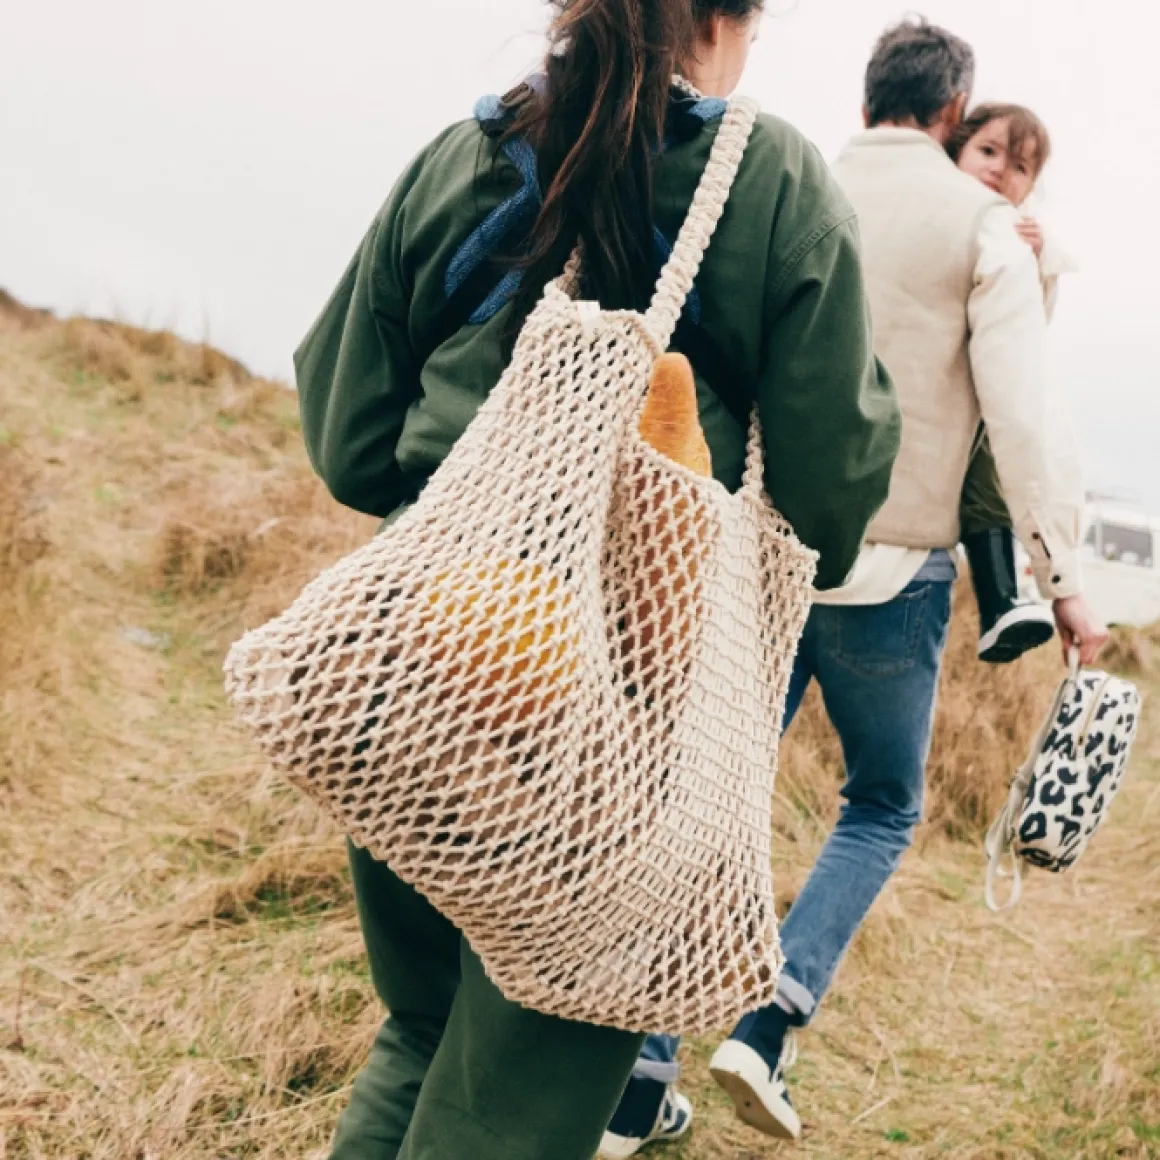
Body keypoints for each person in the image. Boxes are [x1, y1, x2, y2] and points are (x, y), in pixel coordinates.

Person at [293, 1, 901, 1156]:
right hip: (615, 700)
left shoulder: (470, 150)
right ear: (733, 19)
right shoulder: (767, 176)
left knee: (420, 1029)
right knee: (515, 1095)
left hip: (416, 651)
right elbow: (831, 490)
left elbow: (350, 435)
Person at [607, 18, 1108, 1154]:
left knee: (716, 794)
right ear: (954, 109)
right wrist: (1061, 576)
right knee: (880, 805)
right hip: (892, 570)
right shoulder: (980, 224)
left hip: (760, 548)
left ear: (870, 90)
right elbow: (1021, 414)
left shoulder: (788, 179)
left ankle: (639, 1069)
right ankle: (766, 1024)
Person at [950, 103, 1083, 662]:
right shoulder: (949, 211)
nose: (1001, 172)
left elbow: (1031, 328)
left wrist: (1039, 260)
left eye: (1021, 168)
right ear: (956, 146)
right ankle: (1001, 599)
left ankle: (1001, 597)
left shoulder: (1016, 234)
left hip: (978, 393)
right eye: (988, 151)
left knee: (996, 470)